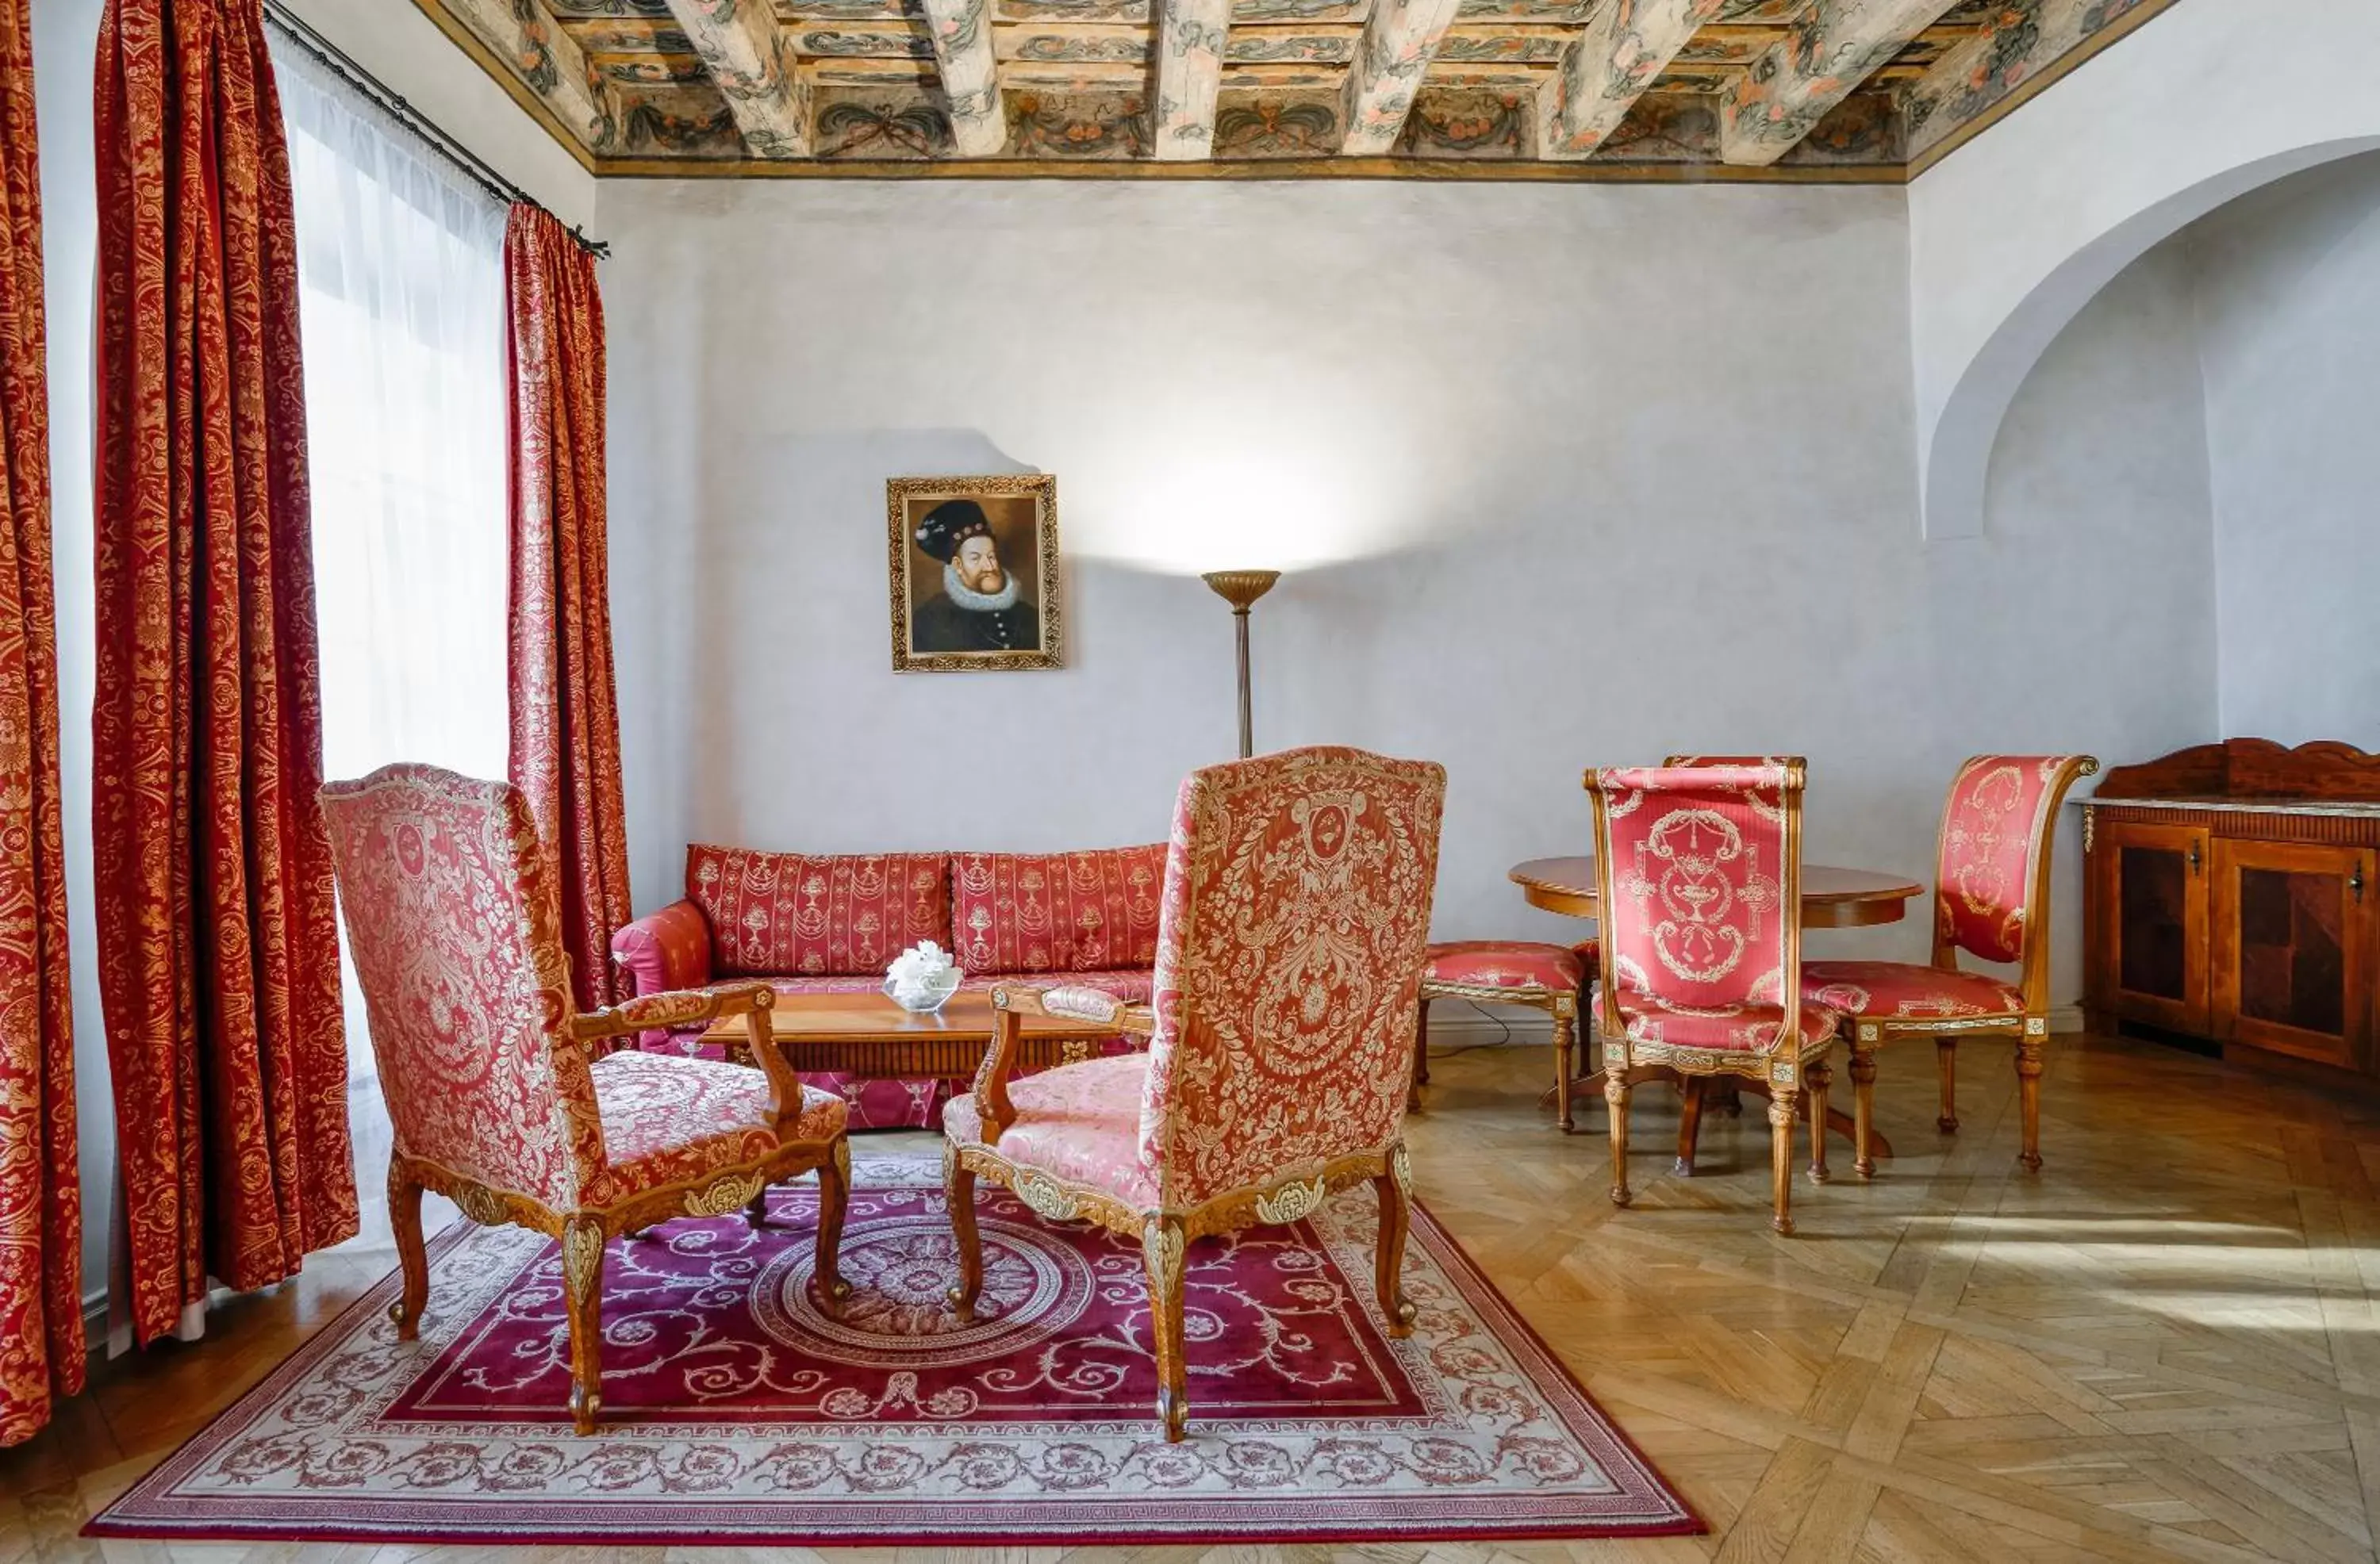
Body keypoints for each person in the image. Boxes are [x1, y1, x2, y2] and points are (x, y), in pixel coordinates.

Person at [910, 499, 1039, 654]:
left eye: (991, 556)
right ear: (958, 565)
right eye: (976, 558)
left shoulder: (1029, 616)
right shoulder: (930, 619)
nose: (990, 567)